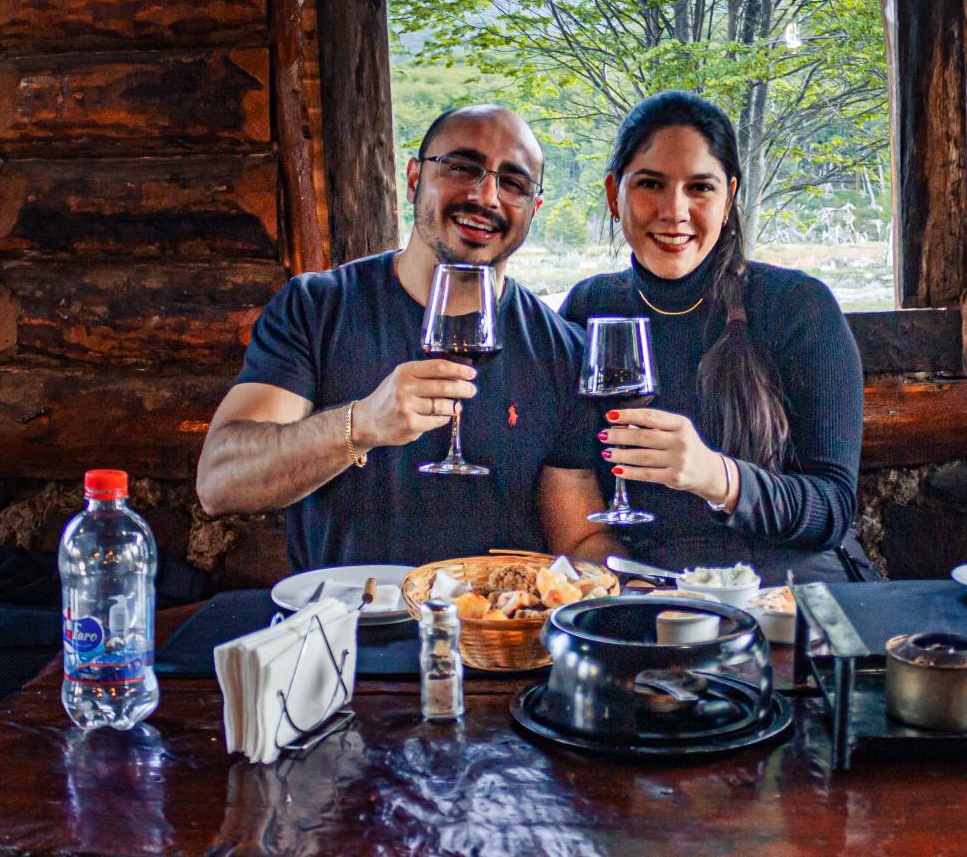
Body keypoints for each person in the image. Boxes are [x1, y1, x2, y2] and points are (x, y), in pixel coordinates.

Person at [196, 105, 619, 570]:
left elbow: (578, 537)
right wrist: (360, 426)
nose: (486, 196)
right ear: (415, 178)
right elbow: (220, 483)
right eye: (462, 168)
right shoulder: (316, 307)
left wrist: (633, 583)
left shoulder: (563, 351)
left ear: (532, 210)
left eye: (513, 184)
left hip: (499, 616)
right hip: (347, 614)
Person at [560, 91, 872, 584]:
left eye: (699, 188)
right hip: (650, 582)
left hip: (790, 579)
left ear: (728, 198)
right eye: (650, 184)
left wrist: (716, 476)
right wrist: (630, 584)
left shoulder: (797, 304)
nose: (674, 211)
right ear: (613, 194)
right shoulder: (589, 306)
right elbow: (571, 485)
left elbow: (832, 509)